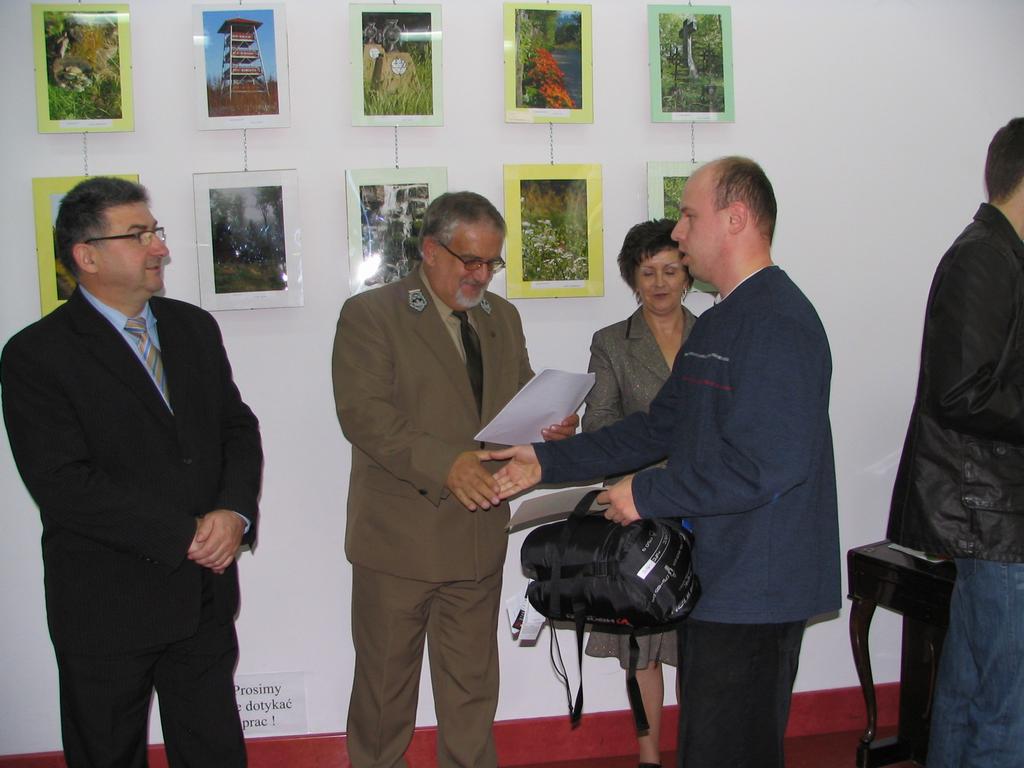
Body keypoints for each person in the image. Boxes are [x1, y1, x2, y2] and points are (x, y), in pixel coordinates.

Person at [488, 157, 840, 768]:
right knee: (706, 746)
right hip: (719, 578)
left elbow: (767, 466)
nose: (677, 233)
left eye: (689, 216)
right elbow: (656, 428)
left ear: (735, 219)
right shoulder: (723, 321)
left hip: (759, 587)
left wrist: (647, 495)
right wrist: (546, 460)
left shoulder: (778, 321)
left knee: (732, 752)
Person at [0, 177, 262, 767]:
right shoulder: (36, 355)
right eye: (138, 235)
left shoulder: (193, 328)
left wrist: (233, 512)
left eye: (155, 232)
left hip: (202, 598)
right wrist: (184, 534)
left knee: (214, 752)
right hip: (106, 606)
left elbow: (236, 429)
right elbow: (63, 483)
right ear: (86, 256)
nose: (159, 248)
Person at [331, 191, 577, 768]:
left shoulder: (501, 318)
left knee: (472, 696)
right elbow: (365, 416)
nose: (482, 276)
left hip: (476, 541)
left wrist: (550, 425)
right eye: (470, 260)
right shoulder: (372, 315)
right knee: (384, 698)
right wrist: (446, 463)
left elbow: (512, 403)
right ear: (429, 250)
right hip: (398, 543)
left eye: (492, 262)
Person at [887, 117, 1024, 768]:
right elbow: (962, 392)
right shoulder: (984, 258)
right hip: (994, 518)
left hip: (991, 515)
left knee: (972, 691)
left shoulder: (999, 253)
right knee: (1007, 705)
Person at [581, 218, 696, 768]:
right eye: (647, 272)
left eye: (670, 270)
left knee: (704, 642)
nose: (659, 283)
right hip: (642, 510)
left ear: (688, 273)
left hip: (708, 507)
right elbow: (599, 427)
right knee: (643, 647)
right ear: (632, 278)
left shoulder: (716, 335)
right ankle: (649, 756)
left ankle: (700, 748)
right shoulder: (611, 343)